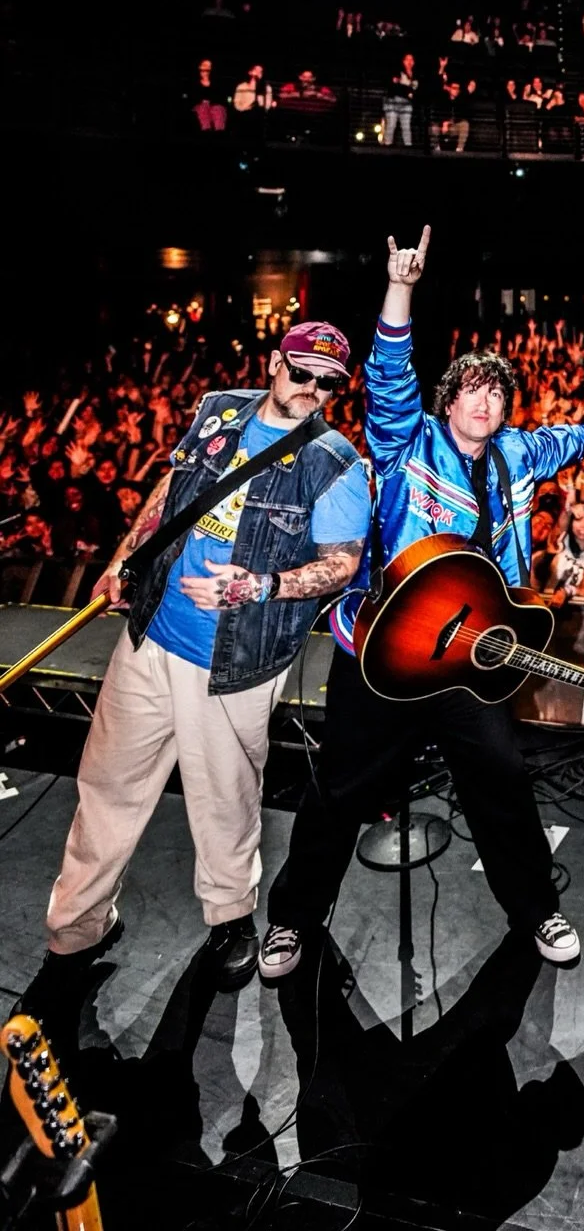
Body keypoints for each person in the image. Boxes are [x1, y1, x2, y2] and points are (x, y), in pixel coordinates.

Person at [259, 227, 584, 981]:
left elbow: (572, 439)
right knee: (340, 791)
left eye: (498, 391)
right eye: (473, 388)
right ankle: (291, 921)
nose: (488, 399)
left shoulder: (518, 453)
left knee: (502, 782)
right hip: (380, 655)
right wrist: (400, 288)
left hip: (467, 664)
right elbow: (390, 373)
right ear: (449, 401)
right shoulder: (407, 440)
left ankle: (537, 908)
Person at [33, 323, 368, 1000]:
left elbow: (342, 563)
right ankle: (77, 927)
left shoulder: (337, 463)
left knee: (225, 805)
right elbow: (171, 488)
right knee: (106, 787)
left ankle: (231, 919)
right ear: (275, 363)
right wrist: (127, 558)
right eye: (301, 373)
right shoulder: (218, 409)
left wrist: (259, 586)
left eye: (329, 383)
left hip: (236, 662)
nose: (312, 391)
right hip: (151, 637)